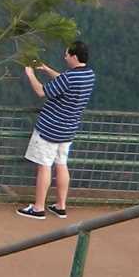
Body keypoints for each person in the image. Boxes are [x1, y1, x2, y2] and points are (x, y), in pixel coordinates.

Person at [18, 40, 95, 219]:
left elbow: (41, 92)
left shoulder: (69, 78)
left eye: (67, 54)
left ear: (74, 56)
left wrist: (30, 74)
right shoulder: (88, 75)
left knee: (44, 166)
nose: (65, 56)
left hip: (50, 128)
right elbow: (63, 81)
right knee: (61, 165)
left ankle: (38, 208)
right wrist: (46, 69)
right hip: (68, 128)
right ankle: (60, 205)